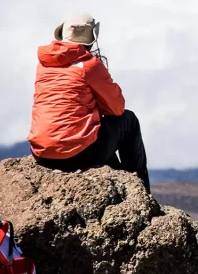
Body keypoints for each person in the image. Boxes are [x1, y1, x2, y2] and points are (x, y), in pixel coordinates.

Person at [27, 12, 150, 190]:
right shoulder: (89, 65)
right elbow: (116, 109)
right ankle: (140, 188)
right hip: (77, 155)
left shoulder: (44, 65)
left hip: (42, 153)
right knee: (128, 121)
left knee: (95, 130)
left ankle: (117, 176)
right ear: (92, 38)